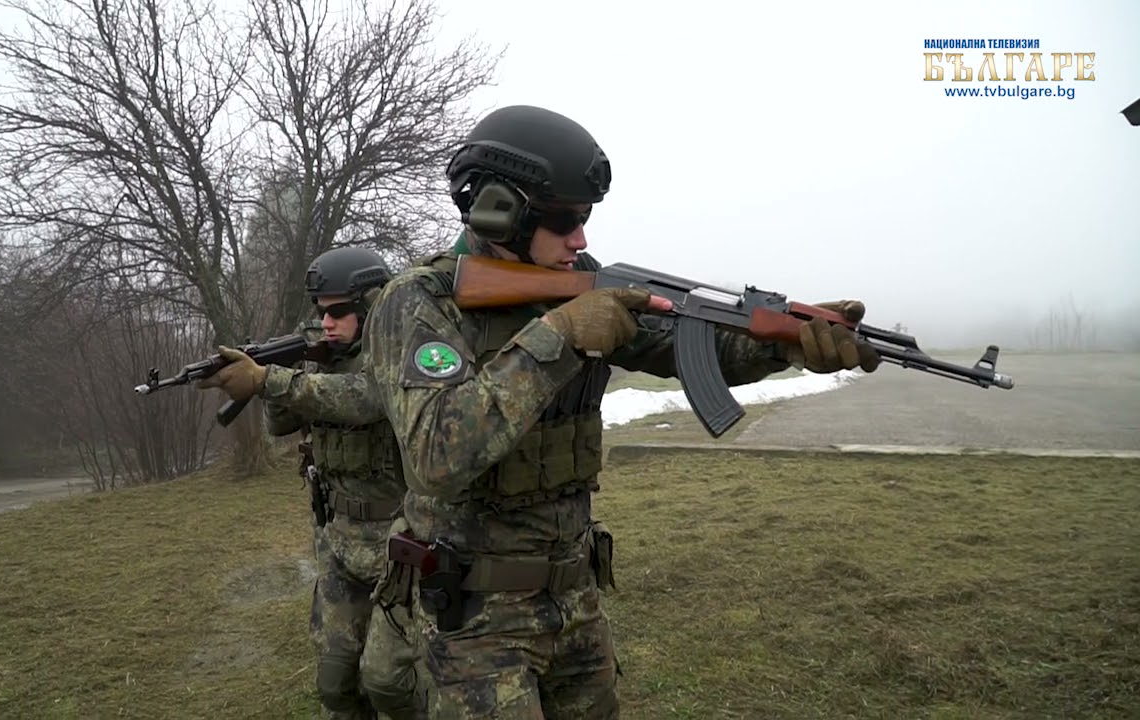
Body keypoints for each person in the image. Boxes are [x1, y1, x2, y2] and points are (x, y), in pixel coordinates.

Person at [357, 105, 882, 719]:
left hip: (574, 599)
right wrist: (561, 337)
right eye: (564, 220)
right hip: (473, 617)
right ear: (499, 209)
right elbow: (435, 458)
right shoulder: (418, 301)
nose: (581, 239)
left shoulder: (584, 284)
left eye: (585, 218)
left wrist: (782, 342)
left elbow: (684, 348)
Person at [195, 246, 426, 720]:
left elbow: (366, 398)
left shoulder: (404, 355)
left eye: (340, 311)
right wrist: (279, 371)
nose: (327, 322)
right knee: (336, 682)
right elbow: (281, 426)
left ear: (372, 306)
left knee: (390, 685)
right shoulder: (321, 359)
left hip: (398, 544)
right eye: (322, 312)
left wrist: (269, 380)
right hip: (338, 539)